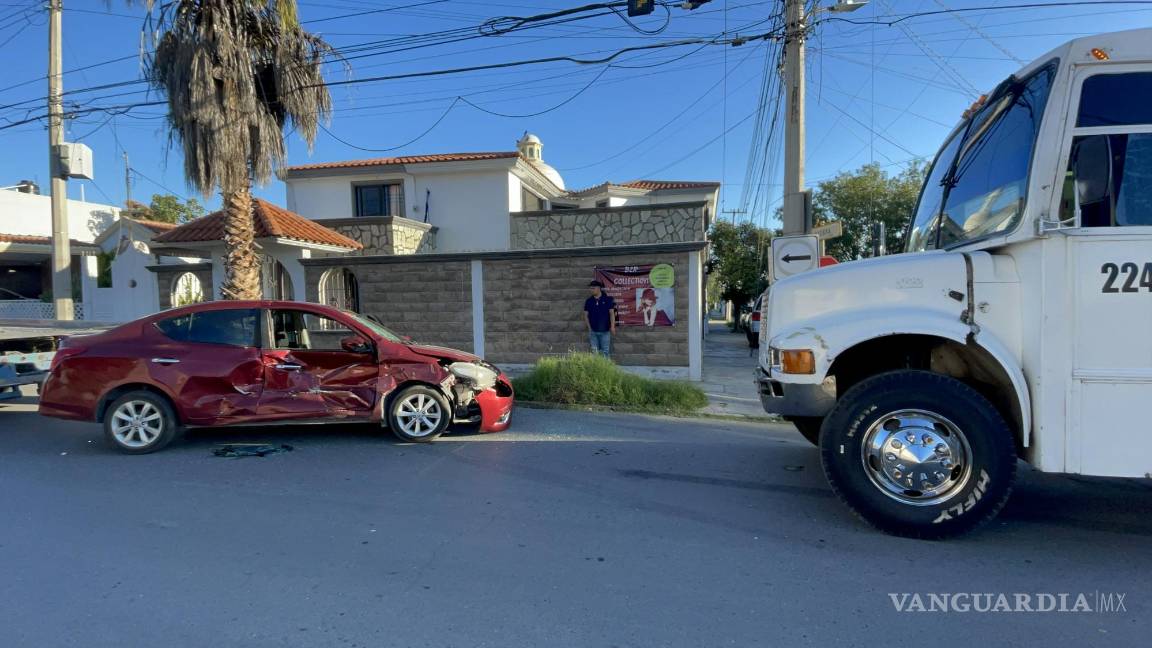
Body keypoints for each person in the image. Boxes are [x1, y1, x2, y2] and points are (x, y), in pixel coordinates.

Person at [583, 280, 616, 357]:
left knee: (605, 352)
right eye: (590, 288)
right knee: (595, 353)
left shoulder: (608, 299)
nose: (591, 290)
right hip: (593, 332)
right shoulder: (589, 301)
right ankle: (597, 368)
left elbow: (612, 314)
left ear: (598, 288)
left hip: (605, 331)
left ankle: (606, 368)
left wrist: (612, 326)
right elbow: (585, 315)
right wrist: (589, 328)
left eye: (593, 288)